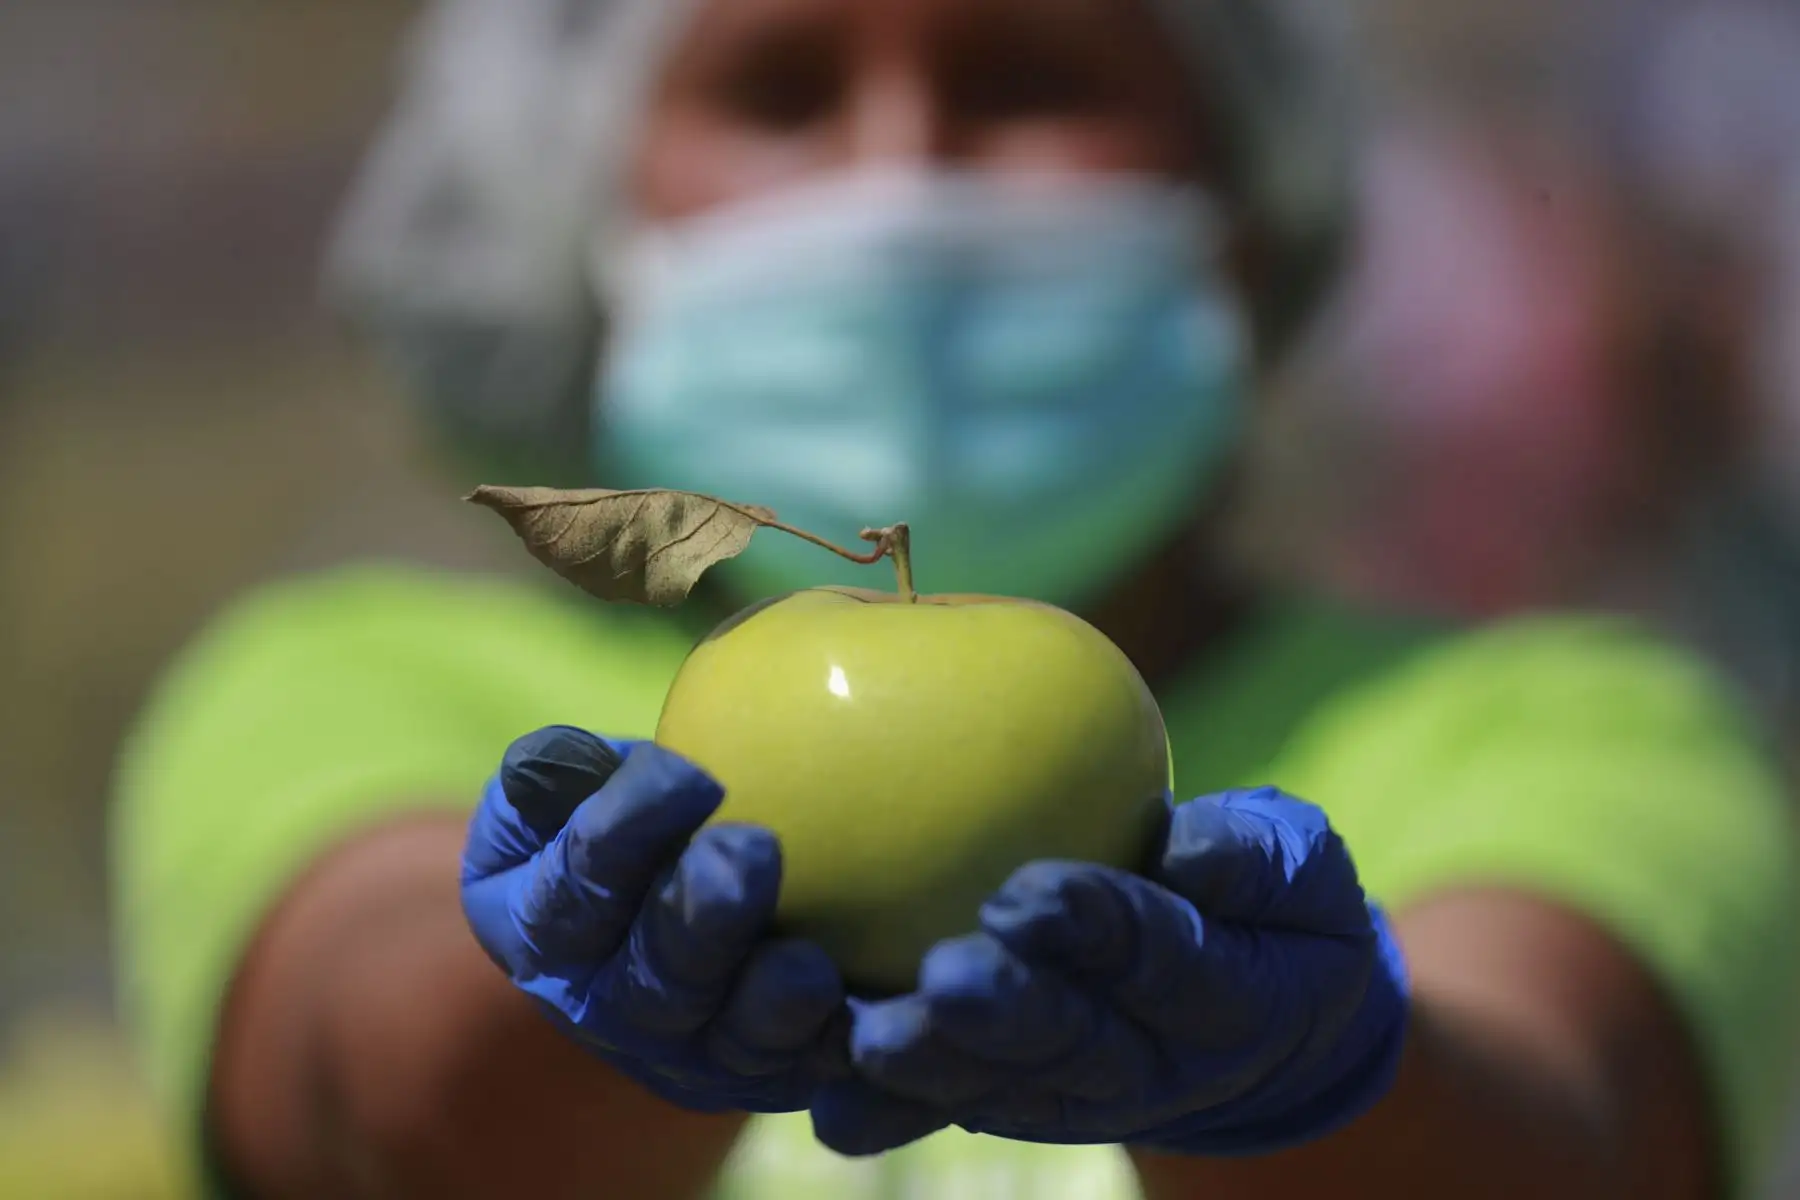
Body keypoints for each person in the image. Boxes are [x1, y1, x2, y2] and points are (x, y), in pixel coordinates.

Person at [109, 0, 1800, 1198]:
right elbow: (366, 1106)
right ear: (589, 215)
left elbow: (1570, 1130)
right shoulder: (358, 679)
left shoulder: (1555, 720)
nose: (903, 177)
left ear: (1238, 204)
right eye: (779, 89)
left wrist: (1321, 1088)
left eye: (1026, 73)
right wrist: (557, 1014)